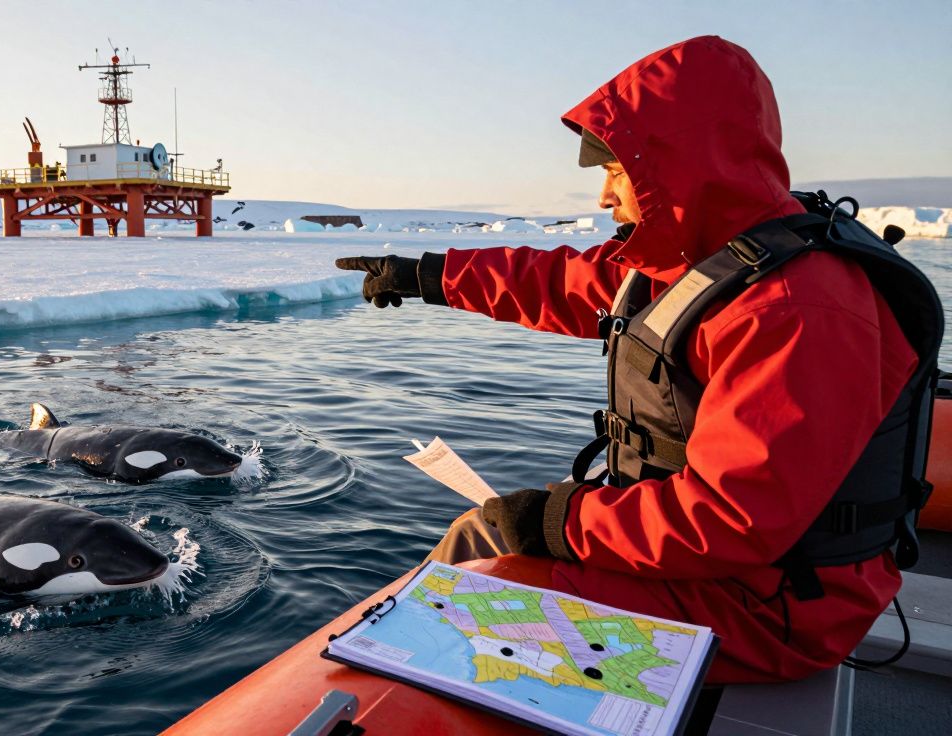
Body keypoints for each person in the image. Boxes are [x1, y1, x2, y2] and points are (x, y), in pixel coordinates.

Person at [335, 35, 941, 684]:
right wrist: (424, 275)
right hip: (712, 567)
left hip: (770, 608)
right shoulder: (699, 261)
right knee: (485, 531)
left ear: (679, 164)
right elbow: (556, 283)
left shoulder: (795, 307)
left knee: (483, 556)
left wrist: (561, 520)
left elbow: (730, 518)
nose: (603, 197)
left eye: (615, 170)